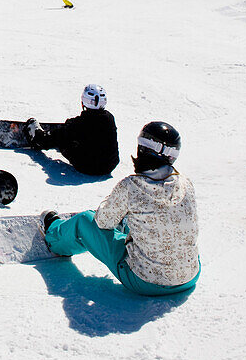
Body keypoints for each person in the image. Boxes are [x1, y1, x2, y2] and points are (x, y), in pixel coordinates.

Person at [41, 122, 200, 296]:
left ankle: (54, 236)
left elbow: (102, 221)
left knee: (84, 221)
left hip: (146, 282)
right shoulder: (186, 183)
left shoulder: (132, 186)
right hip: (189, 277)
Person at [22, 84, 119, 176]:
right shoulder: (109, 118)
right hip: (109, 166)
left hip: (88, 168)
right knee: (83, 137)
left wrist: (41, 137)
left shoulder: (80, 124)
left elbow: (61, 135)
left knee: (63, 139)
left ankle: (36, 138)